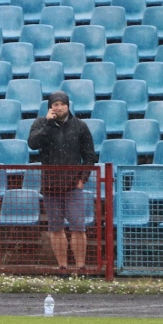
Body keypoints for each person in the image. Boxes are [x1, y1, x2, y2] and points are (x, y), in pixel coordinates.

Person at [28, 90, 97, 272]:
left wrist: (83, 179)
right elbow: (33, 144)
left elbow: (90, 156)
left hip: (73, 185)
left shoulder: (80, 126)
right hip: (50, 185)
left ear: (68, 106)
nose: (58, 107)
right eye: (54, 104)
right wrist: (48, 125)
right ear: (50, 107)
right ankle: (63, 267)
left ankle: (80, 267)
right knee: (56, 227)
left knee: (78, 227)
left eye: (61, 104)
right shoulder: (41, 124)